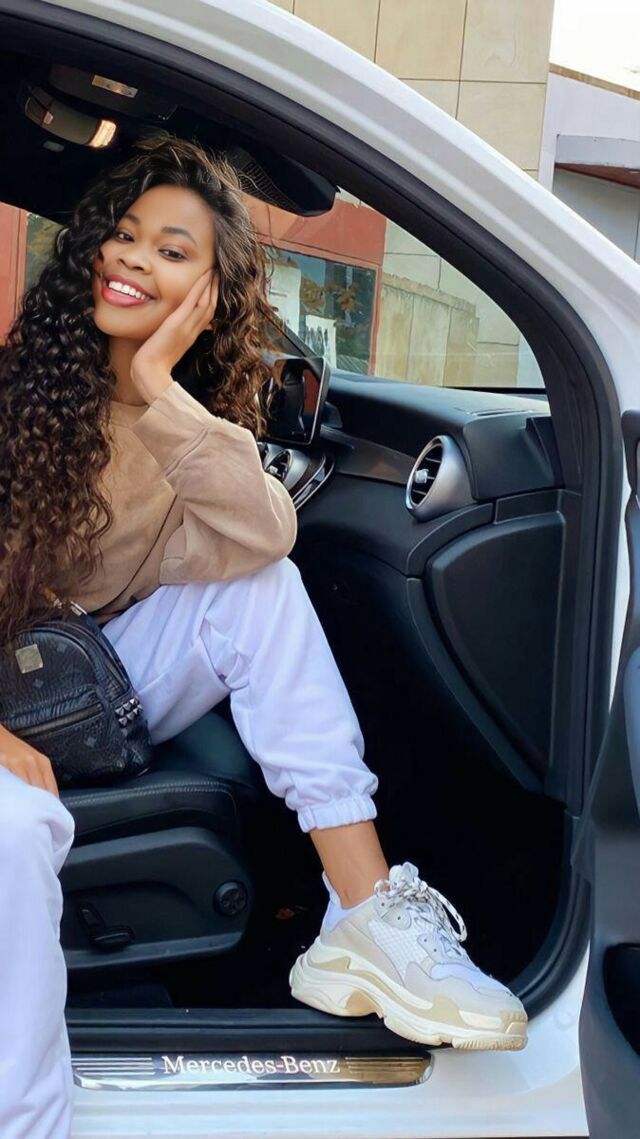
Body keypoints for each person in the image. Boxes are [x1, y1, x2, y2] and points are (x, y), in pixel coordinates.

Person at [0, 133, 527, 1138]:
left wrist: (157, 386)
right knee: (16, 828)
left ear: (208, 295)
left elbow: (262, 535)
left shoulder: (181, 425)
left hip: (67, 687)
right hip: (12, 709)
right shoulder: (15, 396)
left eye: (171, 251)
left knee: (260, 585)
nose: (130, 260)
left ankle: (364, 911)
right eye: (123, 235)